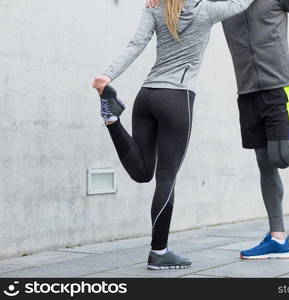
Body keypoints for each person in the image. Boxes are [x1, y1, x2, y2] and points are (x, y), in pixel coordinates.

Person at [147, 0, 289, 260]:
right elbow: (188, 8)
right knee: (265, 164)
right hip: (247, 91)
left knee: (282, 157)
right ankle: (278, 238)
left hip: (279, 87)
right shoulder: (222, 3)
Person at [92, 0, 256, 270]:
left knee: (143, 172)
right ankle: (159, 252)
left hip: (146, 97)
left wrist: (106, 76)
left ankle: (112, 119)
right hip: (177, 98)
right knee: (166, 178)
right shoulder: (207, 10)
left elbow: (136, 44)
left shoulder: (155, 7)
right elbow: (241, 2)